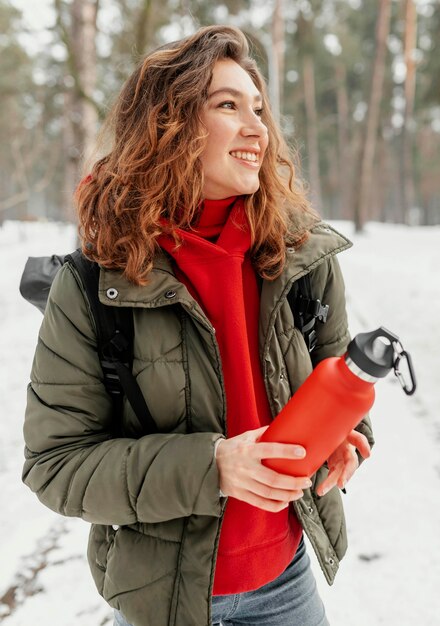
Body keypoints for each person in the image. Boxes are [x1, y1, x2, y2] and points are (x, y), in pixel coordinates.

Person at [22, 25, 373, 626]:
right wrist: (210, 467)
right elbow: (54, 465)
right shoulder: (92, 284)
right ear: (169, 123)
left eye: (259, 108)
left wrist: (347, 437)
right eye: (228, 106)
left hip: (286, 583)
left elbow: (334, 378)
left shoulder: (300, 258)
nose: (258, 128)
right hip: (167, 601)